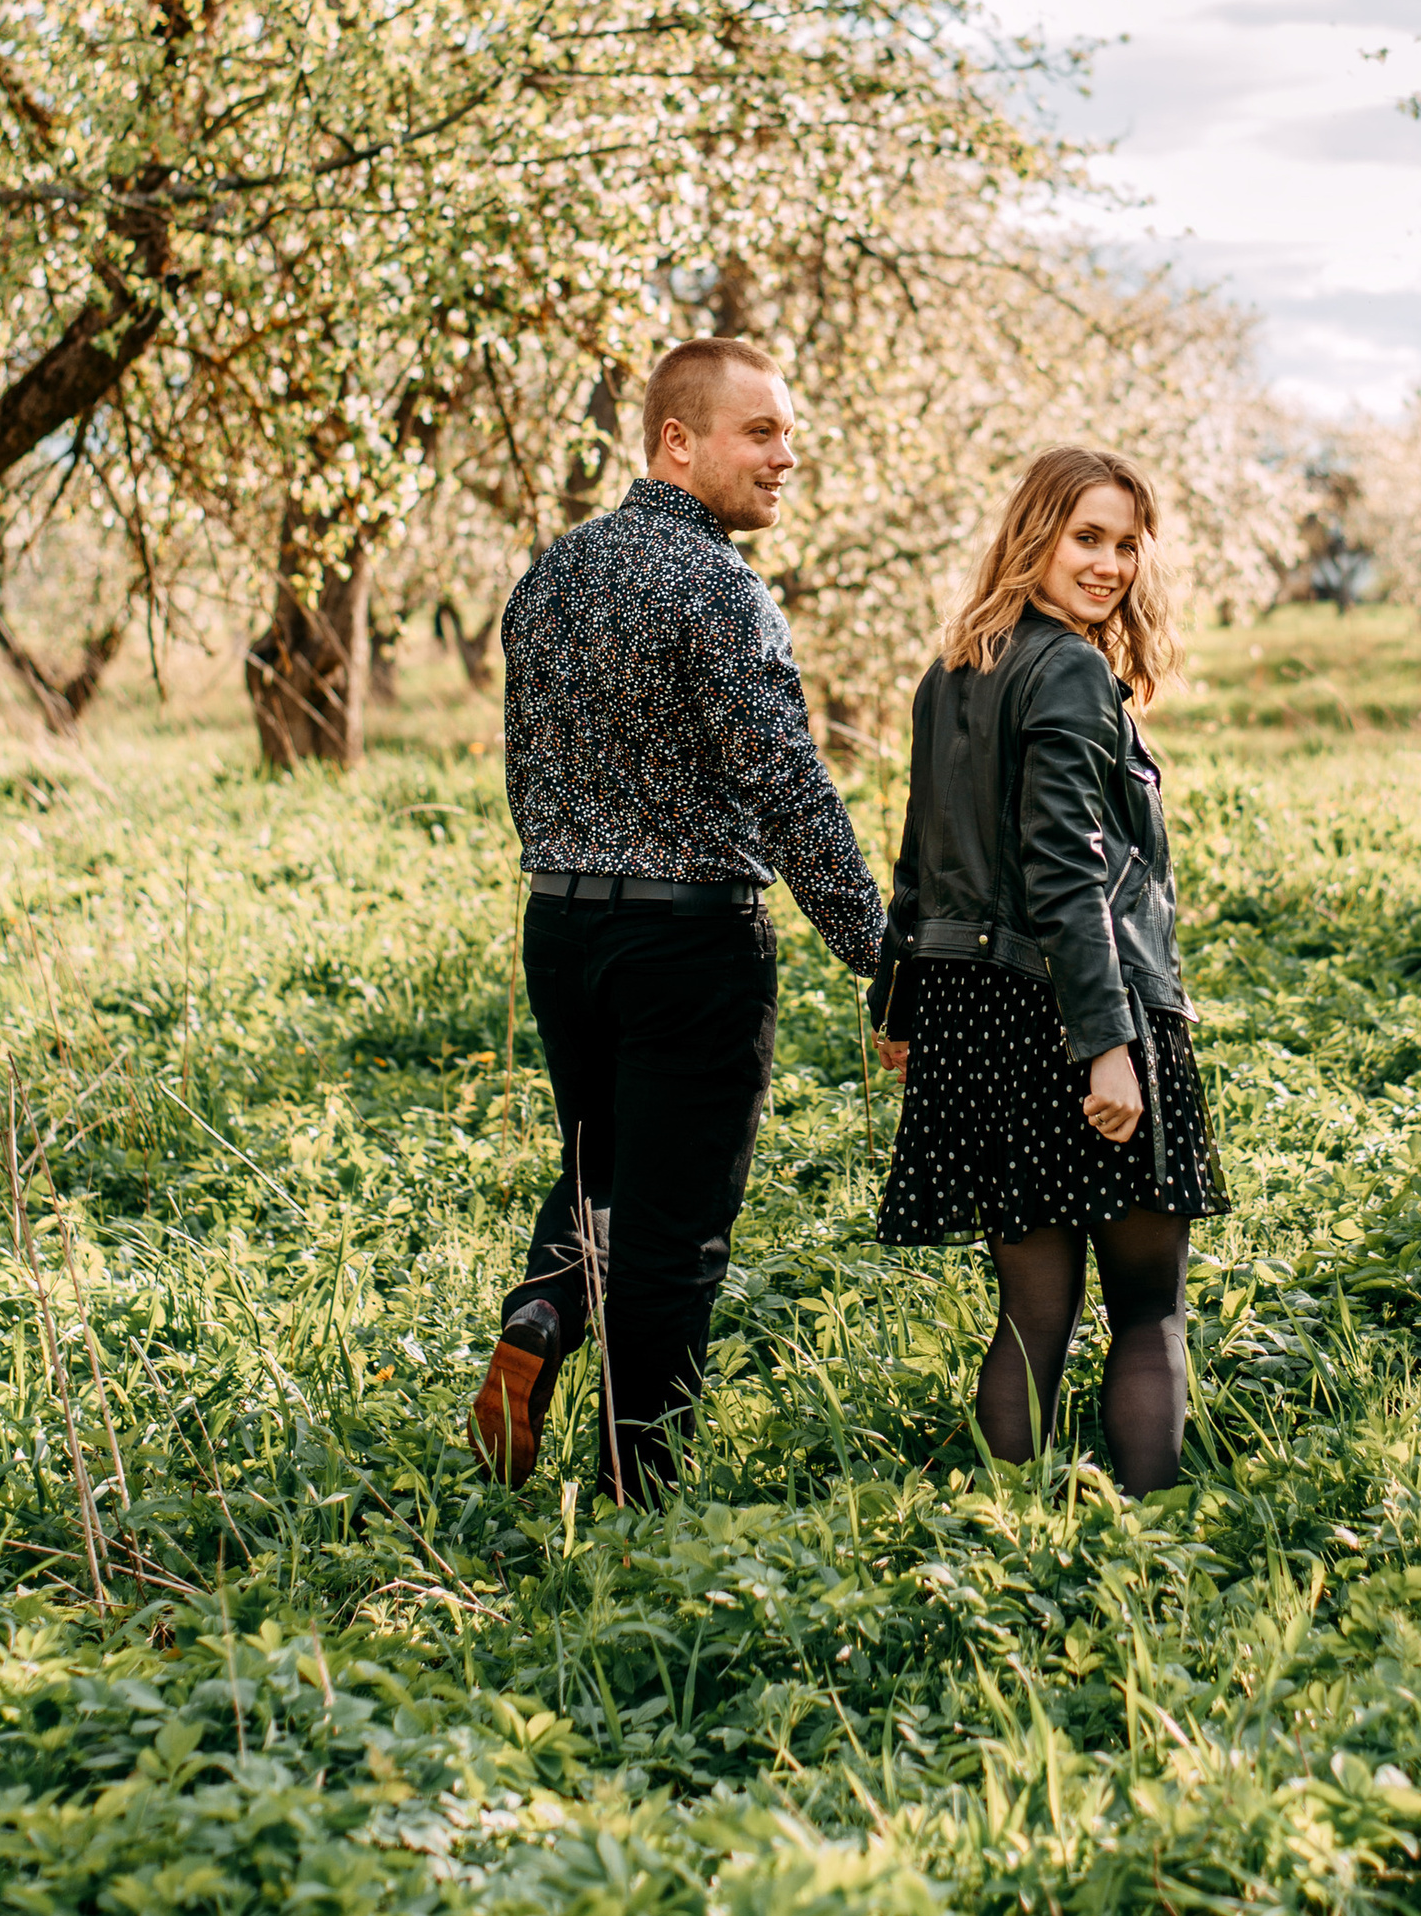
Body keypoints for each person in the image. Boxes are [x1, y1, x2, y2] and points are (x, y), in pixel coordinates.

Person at [471, 337, 884, 1499]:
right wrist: (878, 954)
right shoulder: (717, 585)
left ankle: (543, 1310)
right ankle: (635, 1493)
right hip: (690, 939)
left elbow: (527, 769)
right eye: (760, 433)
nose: (785, 457)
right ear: (677, 442)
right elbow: (787, 783)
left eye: (786, 433)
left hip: (561, 930)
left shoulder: (551, 575)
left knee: (604, 1166)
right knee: (676, 1229)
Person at [869, 447, 1225, 1494]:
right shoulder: (1067, 666)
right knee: (1149, 1307)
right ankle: (1161, 1541)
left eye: (1125, 543)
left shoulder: (954, 669)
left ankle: (1001, 1548)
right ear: (1034, 535)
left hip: (975, 1013)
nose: (1110, 563)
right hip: (1074, 1006)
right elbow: (1065, 871)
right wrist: (1107, 1047)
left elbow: (918, 857)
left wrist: (899, 1003)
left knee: (1031, 1317)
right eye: (1087, 538)